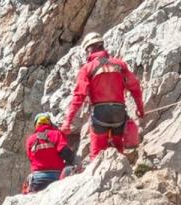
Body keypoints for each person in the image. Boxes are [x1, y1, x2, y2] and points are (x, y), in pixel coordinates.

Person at [62, 32, 145, 160]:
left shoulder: (87, 68)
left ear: (89, 49)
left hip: (100, 113)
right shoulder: (120, 64)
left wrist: (68, 122)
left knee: (96, 154)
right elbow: (135, 87)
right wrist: (140, 109)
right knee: (118, 149)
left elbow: (79, 95)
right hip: (119, 114)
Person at [23, 112, 78, 194]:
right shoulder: (56, 134)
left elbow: (31, 159)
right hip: (56, 176)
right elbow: (65, 152)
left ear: (36, 125)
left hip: (37, 178)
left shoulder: (30, 140)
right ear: (49, 123)